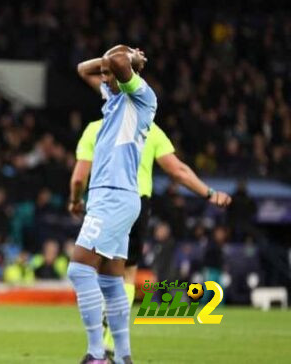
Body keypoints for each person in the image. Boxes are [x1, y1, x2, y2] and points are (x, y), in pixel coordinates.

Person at [71, 116, 232, 357]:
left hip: (102, 202)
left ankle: (99, 343)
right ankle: (112, 344)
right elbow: (178, 170)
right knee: (126, 274)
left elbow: (78, 177)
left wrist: (75, 200)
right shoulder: (150, 130)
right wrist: (208, 193)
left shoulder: (95, 129)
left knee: (90, 270)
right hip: (136, 203)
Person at [66, 44, 154, 364]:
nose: (104, 77)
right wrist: (110, 64)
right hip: (112, 196)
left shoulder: (141, 96)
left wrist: (128, 57)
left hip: (114, 195)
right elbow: (81, 69)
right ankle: (123, 357)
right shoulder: (115, 97)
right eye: (103, 74)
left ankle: (95, 354)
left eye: (109, 74)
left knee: (78, 269)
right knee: (111, 281)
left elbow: (116, 61)